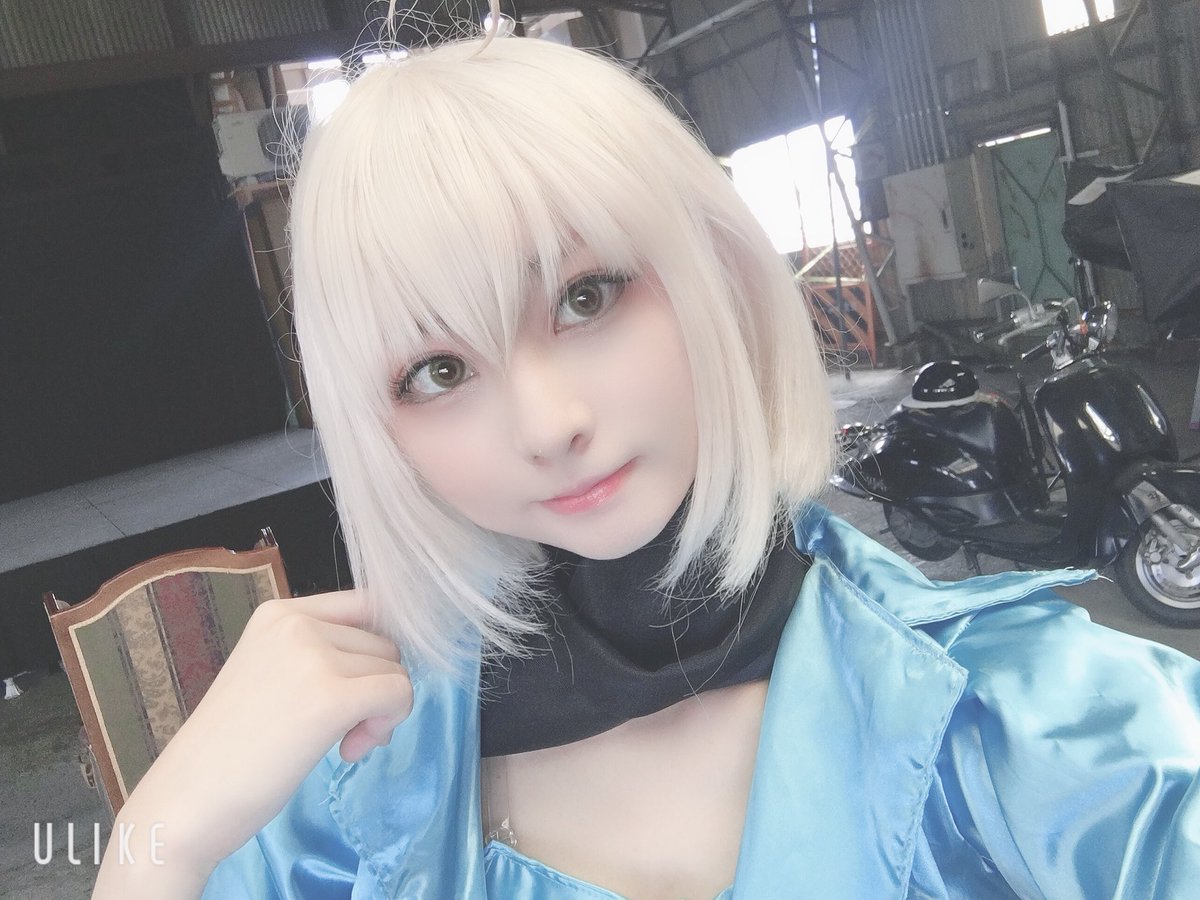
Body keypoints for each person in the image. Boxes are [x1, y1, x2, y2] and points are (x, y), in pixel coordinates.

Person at [93, 14, 1200, 900]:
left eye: (586, 297)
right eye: (437, 370)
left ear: (718, 272)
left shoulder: (1040, 719)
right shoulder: (347, 791)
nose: (545, 424)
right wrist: (160, 843)